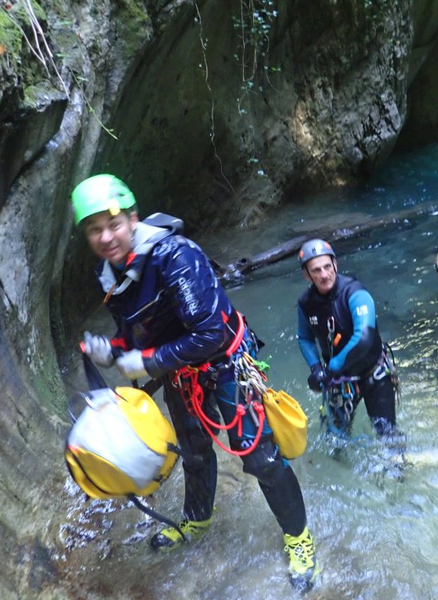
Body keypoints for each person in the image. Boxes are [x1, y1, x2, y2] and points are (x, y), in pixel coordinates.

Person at [72, 174, 318, 591]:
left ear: (132, 219)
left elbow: (210, 334)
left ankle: (299, 538)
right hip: (181, 373)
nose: (107, 237)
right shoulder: (110, 274)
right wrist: (111, 349)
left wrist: (145, 361)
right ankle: (198, 520)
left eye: (113, 224)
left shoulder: (174, 256)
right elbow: (136, 334)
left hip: (227, 363)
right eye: (95, 229)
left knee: (260, 459)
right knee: (194, 453)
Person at [296, 239, 397, 438]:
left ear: (335, 264)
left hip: (373, 373)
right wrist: (316, 369)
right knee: (336, 437)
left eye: (327, 266)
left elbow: (365, 338)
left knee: (387, 434)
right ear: (306, 275)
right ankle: (337, 467)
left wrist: (332, 368)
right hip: (338, 380)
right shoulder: (306, 304)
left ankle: (395, 469)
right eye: (316, 270)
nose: (324, 275)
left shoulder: (355, 292)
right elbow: (304, 338)